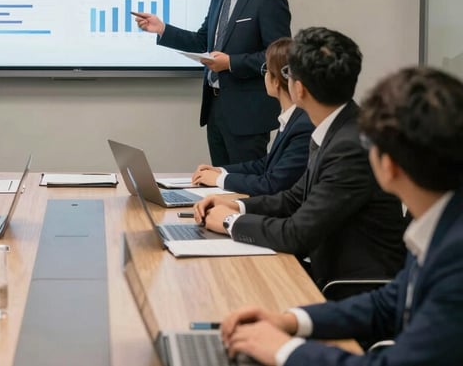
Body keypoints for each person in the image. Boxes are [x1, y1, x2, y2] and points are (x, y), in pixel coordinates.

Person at [219, 66, 463, 366]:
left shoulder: (455, 255)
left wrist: (284, 350)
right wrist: (291, 321)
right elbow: (388, 303)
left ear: (389, 166)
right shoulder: (439, 222)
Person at [194, 27, 407, 291]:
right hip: (325, 269)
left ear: (299, 88)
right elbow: (294, 198)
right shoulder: (340, 127)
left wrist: (229, 222)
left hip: (349, 287)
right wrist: (237, 206)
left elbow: (297, 234)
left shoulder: (351, 146)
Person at [135, 0, 291, 166]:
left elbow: (279, 56)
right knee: (220, 184)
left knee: (244, 187)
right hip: (216, 108)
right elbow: (201, 41)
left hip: (248, 115)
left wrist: (231, 63)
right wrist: (162, 29)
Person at [191, 37, 314, 196]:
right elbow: (266, 165)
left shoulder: (303, 124)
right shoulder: (292, 118)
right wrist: (220, 171)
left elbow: (272, 185)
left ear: (276, 81)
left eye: (266, 70)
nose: (264, 76)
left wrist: (218, 180)